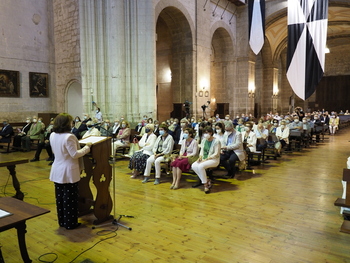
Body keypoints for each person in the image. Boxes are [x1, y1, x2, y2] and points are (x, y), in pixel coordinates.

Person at [49, 113, 92, 230]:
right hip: (68, 171)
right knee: (70, 198)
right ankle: (71, 223)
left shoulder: (53, 134)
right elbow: (74, 154)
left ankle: (62, 221)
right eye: (70, 121)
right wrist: (87, 147)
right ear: (66, 124)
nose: (72, 123)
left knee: (60, 198)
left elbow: (55, 151)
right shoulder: (69, 137)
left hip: (57, 169)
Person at [191, 127, 220, 194]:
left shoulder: (216, 141)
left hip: (213, 160)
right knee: (194, 165)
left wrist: (207, 159)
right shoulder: (204, 140)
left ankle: (205, 185)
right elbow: (202, 150)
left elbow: (216, 153)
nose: (205, 134)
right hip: (204, 159)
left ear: (211, 133)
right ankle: (206, 180)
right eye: (204, 133)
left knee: (201, 166)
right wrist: (200, 157)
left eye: (207, 133)